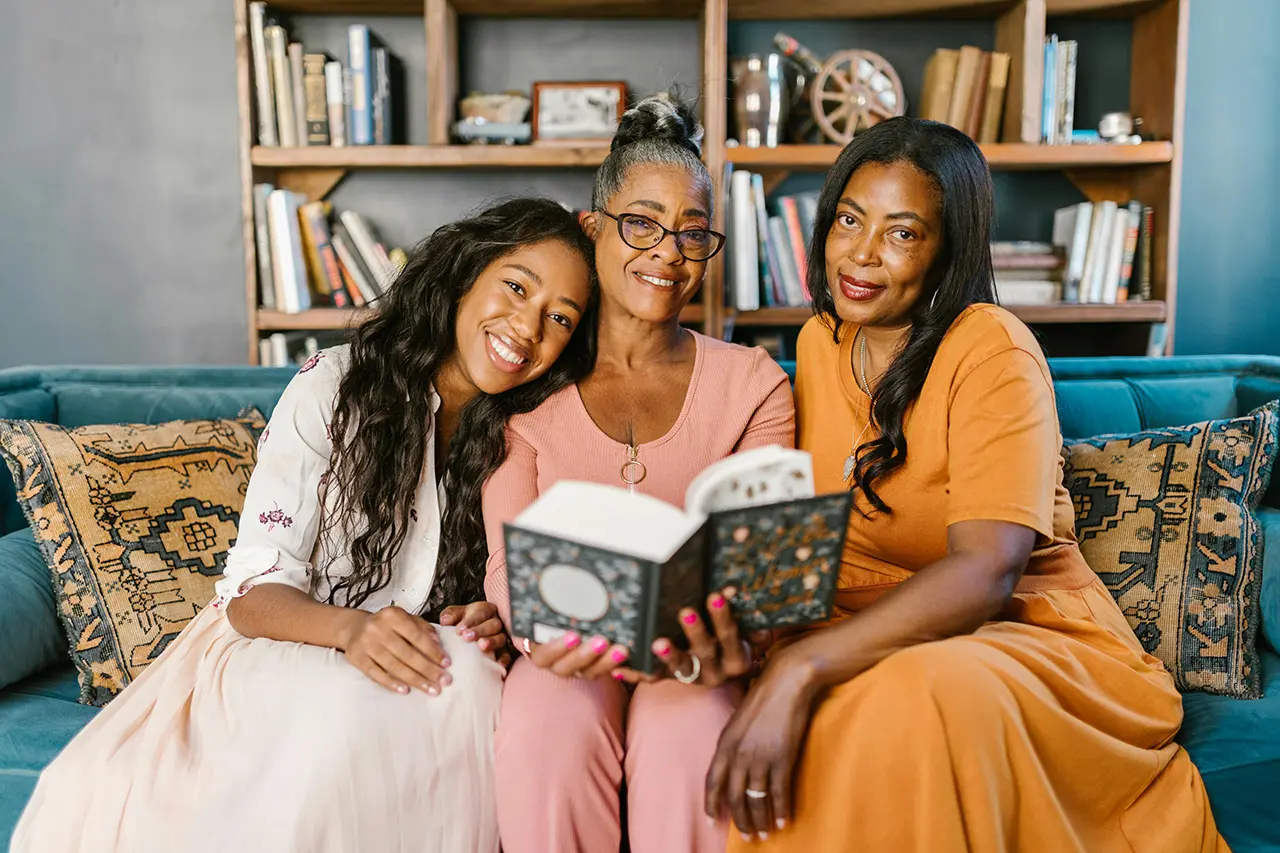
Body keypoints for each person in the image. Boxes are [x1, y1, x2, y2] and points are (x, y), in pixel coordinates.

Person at [701, 116, 1229, 852]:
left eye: (902, 232)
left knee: (915, 691)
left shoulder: (992, 348)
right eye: (850, 219)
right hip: (865, 631)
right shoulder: (820, 341)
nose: (861, 252)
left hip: (1020, 636)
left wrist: (802, 665)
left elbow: (989, 570)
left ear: (948, 246)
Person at [11, 197, 599, 853]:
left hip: (415, 651)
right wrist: (352, 630)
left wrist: (486, 615)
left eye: (560, 318)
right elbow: (252, 591)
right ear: (465, 272)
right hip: (284, 645)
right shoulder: (335, 386)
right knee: (357, 703)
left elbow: (507, 585)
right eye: (516, 287)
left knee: (469, 677)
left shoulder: (529, 432)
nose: (528, 326)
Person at [481, 92, 795, 853]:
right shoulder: (528, 378)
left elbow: (761, 567)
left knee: (687, 719)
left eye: (693, 233)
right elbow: (505, 559)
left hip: (699, 653)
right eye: (642, 223)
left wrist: (739, 638)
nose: (669, 252)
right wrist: (533, 622)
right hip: (564, 647)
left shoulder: (754, 383)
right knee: (545, 718)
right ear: (594, 229)